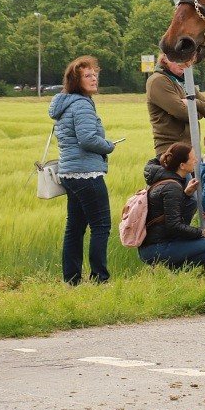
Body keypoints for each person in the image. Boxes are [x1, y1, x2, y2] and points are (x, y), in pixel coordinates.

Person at [49, 55, 118, 284]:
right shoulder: (81, 104)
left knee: (75, 227)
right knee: (101, 226)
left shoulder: (66, 103)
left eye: (95, 74)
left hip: (69, 172)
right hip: (86, 173)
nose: (94, 78)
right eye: (87, 75)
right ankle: (100, 279)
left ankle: (72, 280)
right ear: (76, 80)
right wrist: (108, 145)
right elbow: (87, 139)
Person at [138, 143, 205, 269]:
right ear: (182, 165)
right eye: (193, 158)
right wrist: (203, 232)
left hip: (153, 246)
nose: (197, 160)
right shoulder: (172, 187)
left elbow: (170, 214)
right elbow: (174, 226)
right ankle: (168, 269)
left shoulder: (165, 180)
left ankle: (167, 268)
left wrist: (186, 195)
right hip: (158, 248)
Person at [146, 52, 205, 157]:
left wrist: (193, 103)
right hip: (171, 151)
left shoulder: (184, 82)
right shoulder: (158, 81)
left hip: (191, 149)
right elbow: (184, 114)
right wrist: (199, 111)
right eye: (178, 59)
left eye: (186, 60)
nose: (183, 63)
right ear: (165, 59)